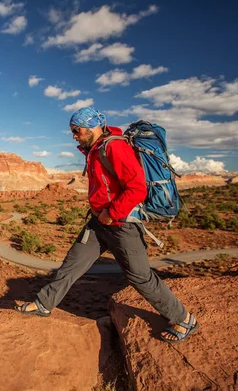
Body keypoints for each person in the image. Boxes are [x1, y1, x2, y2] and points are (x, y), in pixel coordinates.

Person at [15, 107, 199, 344]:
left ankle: (184, 319)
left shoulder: (114, 147)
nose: (73, 135)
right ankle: (43, 304)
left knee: (140, 276)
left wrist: (112, 213)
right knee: (71, 265)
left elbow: (137, 188)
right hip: (99, 222)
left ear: (92, 127)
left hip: (121, 225)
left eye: (76, 130)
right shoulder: (94, 149)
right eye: (72, 131)